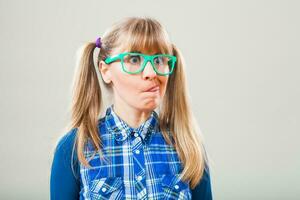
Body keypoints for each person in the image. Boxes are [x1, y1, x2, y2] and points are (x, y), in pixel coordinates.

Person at [50, 16, 213, 200]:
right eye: (135, 59)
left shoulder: (187, 146)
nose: (151, 73)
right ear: (105, 71)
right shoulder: (74, 149)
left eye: (159, 60)